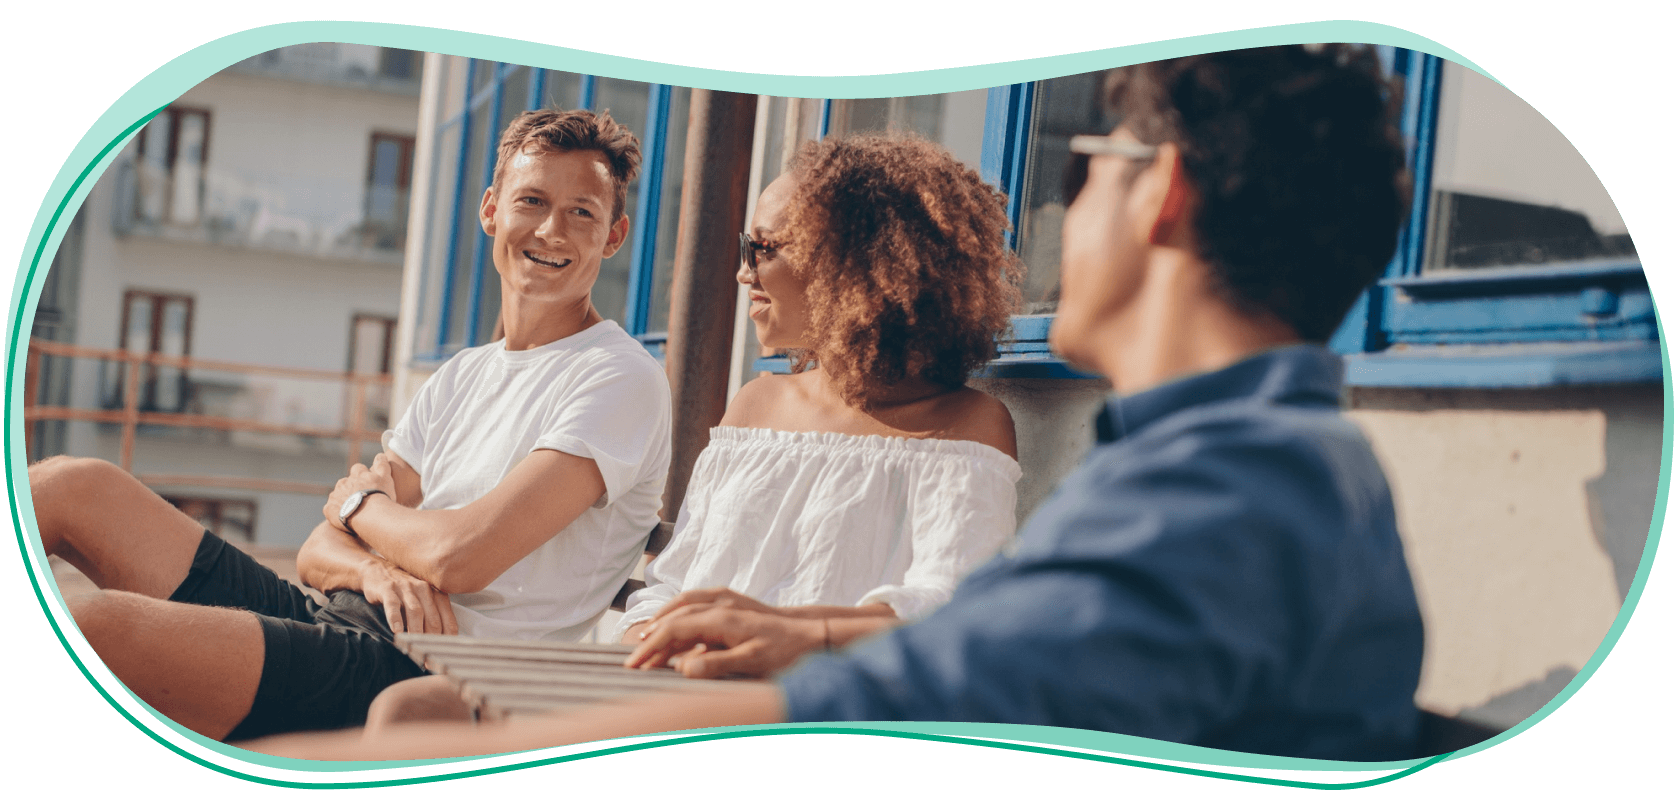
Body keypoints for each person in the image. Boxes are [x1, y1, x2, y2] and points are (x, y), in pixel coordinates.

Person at [244, 43, 1427, 761]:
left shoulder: (1232, 492)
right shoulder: (1225, 464)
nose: (1059, 221)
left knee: (412, 729)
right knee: (417, 718)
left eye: (1079, 172)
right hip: (696, 667)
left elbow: (924, 683)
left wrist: (795, 634)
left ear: (1160, 193)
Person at [30, 108, 673, 741]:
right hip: (336, 615)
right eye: (532, 201)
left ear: (612, 237)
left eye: (581, 212)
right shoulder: (463, 374)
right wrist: (372, 570)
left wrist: (360, 505)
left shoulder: (617, 377)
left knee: (99, 630)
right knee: (72, 485)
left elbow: (460, 557)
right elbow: (319, 549)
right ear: (491, 210)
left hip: (417, 670)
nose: (552, 230)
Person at [360, 132, 1025, 724]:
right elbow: (674, 580)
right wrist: (636, 651)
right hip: (670, 688)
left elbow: (948, 609)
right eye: (745, 248)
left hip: (815, 704)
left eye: (764, 248)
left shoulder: (966, 427)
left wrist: (792, 636)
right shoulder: (756, 406)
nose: (744, 271)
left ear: (855, 263)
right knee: (413, 707)